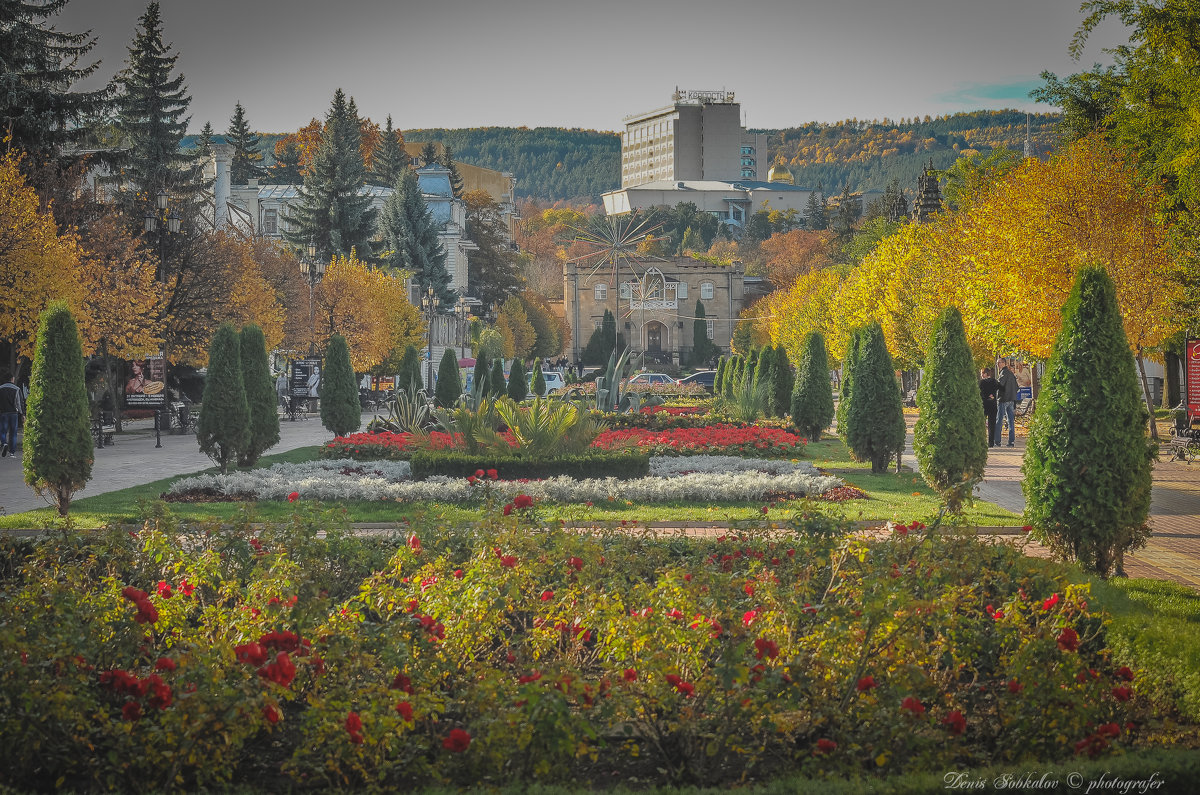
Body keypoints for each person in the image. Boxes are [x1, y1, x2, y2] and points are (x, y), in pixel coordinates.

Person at [995, 358, 1019, 448]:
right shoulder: (1011, 374)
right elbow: (1016, 387)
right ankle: (1011, 441)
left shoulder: (1003, 373)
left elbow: (999, 385)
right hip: (1011, 400)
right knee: (1010, 421)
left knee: (999, 420)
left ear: (1004, 363)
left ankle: (997, 441)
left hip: (1003, 400)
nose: (998, 365)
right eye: (997, 363)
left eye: (999, 363)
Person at [0, 372, 22, 458]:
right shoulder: (16, 389)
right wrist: (22, 413)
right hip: (13, 413)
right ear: (12, 379)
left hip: (3, 413)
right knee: (13, 433)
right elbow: (18, 403)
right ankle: (12, 452)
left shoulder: (0, 388)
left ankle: (4, 443)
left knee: (2, 431)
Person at [979, 367, 1001, 447]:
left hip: (984, 404)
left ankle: (982, 440)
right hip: (993, 405)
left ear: (985, 374)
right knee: (992, 424)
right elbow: (1001, 388)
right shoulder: (994, 381)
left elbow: (980, 393)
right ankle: (991, 442)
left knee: (982, 423)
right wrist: (992, 396)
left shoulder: (982, 383)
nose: (981, 375)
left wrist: (986, 397)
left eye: (982, 373)